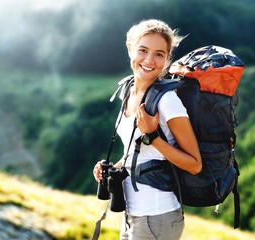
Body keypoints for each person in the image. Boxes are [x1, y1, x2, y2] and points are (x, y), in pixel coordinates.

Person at [93, 19, 202, 240]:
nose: (149, 60)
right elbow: (136, 152)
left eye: (159, 54)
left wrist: (153, 136)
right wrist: (113, 167)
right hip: (132, 213)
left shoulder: (167, 101)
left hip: (157, 216)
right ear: (130, 49)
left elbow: (195, 164)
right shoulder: (128, 90)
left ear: (167, 58)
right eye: (143, 50)